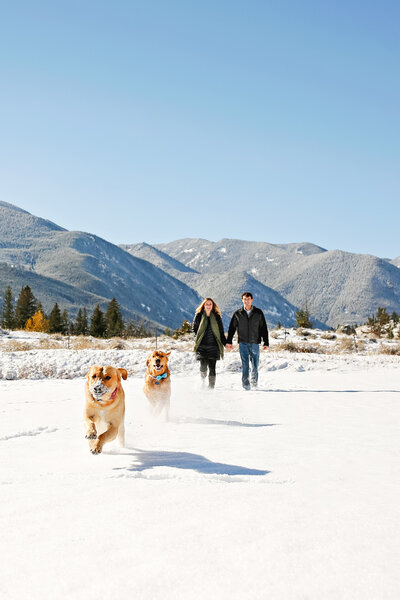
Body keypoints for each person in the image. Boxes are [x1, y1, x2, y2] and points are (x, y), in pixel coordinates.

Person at [226, 292, 269, 390]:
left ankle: (254, 384)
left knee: (255, 365)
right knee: (245, 365)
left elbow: (263, 328)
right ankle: (246, 386)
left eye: (248, 299)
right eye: (244, 299)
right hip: (243, 343)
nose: (246, 301)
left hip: (255, 343)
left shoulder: (258, 312)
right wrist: (229, 341)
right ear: (242, 300)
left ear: (252, 300)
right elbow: (231, 328)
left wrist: (266, 342)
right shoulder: (237, 314)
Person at [192, 297, 226, 389]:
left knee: (212, 367)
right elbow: (194, 329)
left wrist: (225, 343)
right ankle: (202, 380)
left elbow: (221, 331)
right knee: (203, 366)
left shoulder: (216, 316)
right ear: (203, 305)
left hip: (214, 346)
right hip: (202, 346)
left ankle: (211, 386)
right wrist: (197, 338)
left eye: (210, 304)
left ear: (213, 305)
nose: (208, 305)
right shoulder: (199, 315)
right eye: (206, 304)